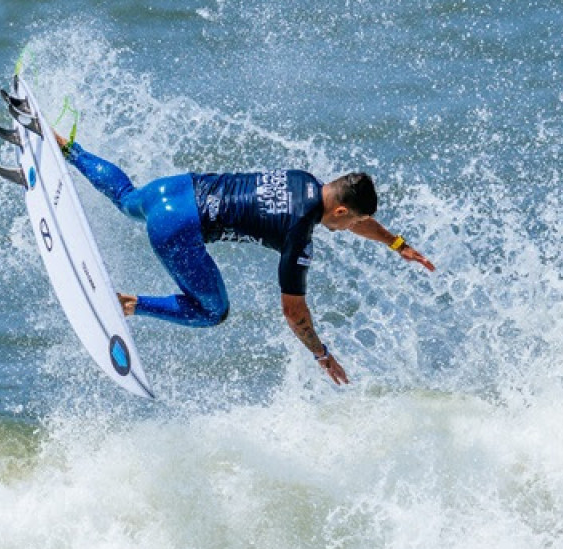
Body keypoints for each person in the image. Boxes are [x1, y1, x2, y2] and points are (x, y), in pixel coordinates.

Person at [54, 131, 434, 385]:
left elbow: (352, 222)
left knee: (125, 198)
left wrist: (396, 244)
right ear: (340, 212)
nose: (351, 226)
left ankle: (69, 149)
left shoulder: (303, 179)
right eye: (353, 219)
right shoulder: (299, 236)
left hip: (173, 189)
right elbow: (294, 314)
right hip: (178, 229)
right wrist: (322, 354)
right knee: (212, 312)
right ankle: (127, 304)